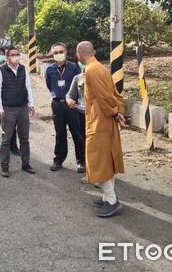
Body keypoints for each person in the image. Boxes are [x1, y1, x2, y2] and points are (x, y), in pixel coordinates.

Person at [76, 41, 126, 218]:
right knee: (107, 160)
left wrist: (114, 112)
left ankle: (112, 200)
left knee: (98, 161)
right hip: (104, 119)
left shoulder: (91, 70)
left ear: (78, 55)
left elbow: (105, 97)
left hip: (100, 121)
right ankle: (107, 196)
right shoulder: (100, 67)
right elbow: (114, 92)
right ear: (93, 52)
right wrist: (118, 111)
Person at [0, 46, 36, 177]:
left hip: (23, 107)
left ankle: (26, 163)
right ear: (7, 58)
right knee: (6, 139)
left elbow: (28, 86)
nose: (16, 56)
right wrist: (0, 109)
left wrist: (31, 104)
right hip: (8, 109)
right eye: (13, 54)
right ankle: (4, 166)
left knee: (24, 138)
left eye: (17, 54)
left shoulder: (23, 69)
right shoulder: (0, 71)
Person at [44, 42, 85, 173]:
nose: (58, 54)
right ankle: (58, 160)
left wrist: (75, 100)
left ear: (66, 52)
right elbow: (49, 86)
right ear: (52, 54)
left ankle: (81, 161)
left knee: (77, 133)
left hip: (73, 106)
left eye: (60, 52)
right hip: (57, 105)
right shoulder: (49, 70)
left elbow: (81, 84)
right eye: (55, 53)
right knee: (60, 133)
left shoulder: (74, 68)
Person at [65, 62, 87, 175]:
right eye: (82, 64)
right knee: (82, 139)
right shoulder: (78, 78)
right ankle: (83, 162)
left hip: (97, 115)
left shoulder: (100, 76)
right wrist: (69, 100)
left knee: (97, 142)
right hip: (81, 113)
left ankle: (102, 170)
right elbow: (70, 94)